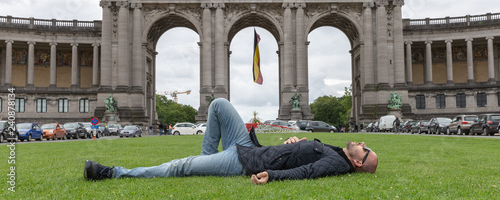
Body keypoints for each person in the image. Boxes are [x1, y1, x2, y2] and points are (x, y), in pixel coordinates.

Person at [84, 98, 378, 183]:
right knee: (218, 104)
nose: (363, 143)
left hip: (246, 160)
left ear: (356, 162)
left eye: (366, 150)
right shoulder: (336, 151)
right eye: (366, 145)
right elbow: (303, 158)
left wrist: (271, 175)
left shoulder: (335, 164)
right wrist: (297, 142)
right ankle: (206, 157)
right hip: (252, 147)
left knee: (179, 167)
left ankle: (112, 172)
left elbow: (305, 172)